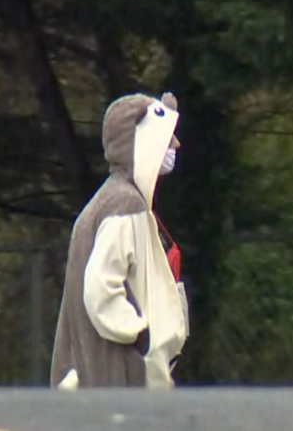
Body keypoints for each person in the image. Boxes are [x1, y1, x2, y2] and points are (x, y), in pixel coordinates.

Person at [49, 91, 189, 390]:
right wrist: (141, 336)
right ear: (140, 142)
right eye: (166, 137)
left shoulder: (110, 201)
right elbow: (101, 290)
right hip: (122, 380)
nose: (175, 145)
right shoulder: (125, 205)